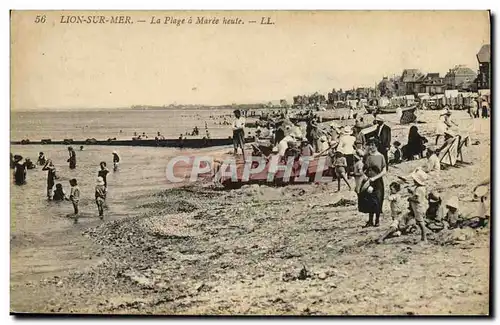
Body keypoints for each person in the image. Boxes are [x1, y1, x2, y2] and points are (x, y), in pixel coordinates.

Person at [361, 138, 387, 227]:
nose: (371, 147)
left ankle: (377, 220)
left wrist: (375, 178)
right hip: (368, 180)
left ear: (376, 146)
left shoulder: (381, 156)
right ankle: (370, 220)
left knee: (378, 200)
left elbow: (384, 171)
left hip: (377, 181)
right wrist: (364, 176)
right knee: (369, 199)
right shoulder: (367, 156)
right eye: (370, 145)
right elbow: (363, 168)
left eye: (373, 145)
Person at [407, 169, 428, 242]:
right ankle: (423, 237)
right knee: (420, 222)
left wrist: (410, 199)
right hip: (419, 207)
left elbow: (418, 199)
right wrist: (412, 192)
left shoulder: (419, 189)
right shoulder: (421, 188)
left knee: (421, 223)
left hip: (418, 208)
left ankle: (424, 237)